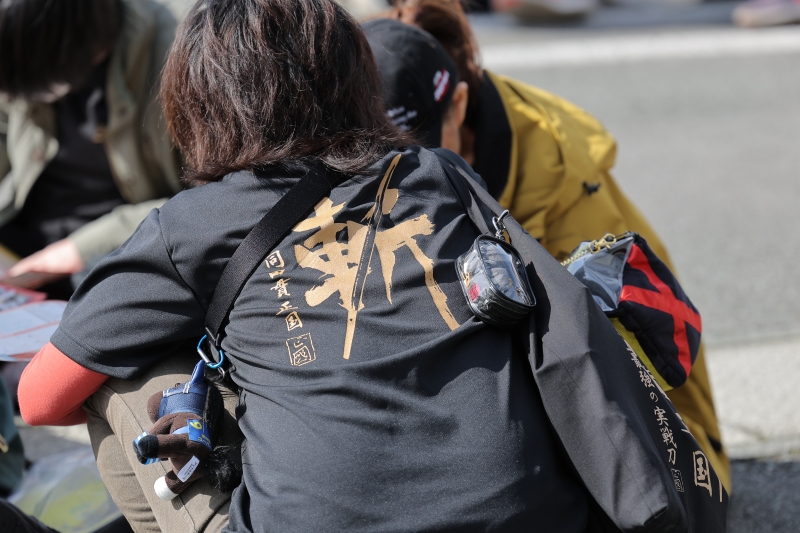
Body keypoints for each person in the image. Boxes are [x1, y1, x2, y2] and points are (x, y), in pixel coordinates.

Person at [18, 0, 598, 531]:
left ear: (194, 104)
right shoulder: (440, 174)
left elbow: (40, 400)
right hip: (540, 519)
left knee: (117, 362)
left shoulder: (190, 226)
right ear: (358, 77)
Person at [369, 0, 731, 491]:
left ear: (458, 104)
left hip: (666, 456)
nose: (400, 178)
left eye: (417, 152)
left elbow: (617, 378)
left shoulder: (561, 190)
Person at [0, 0, 185, 293]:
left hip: (125, 247)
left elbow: (217, 199)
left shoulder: (184, 51)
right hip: (19, 238)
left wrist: (79, 250)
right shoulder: (15, 48)